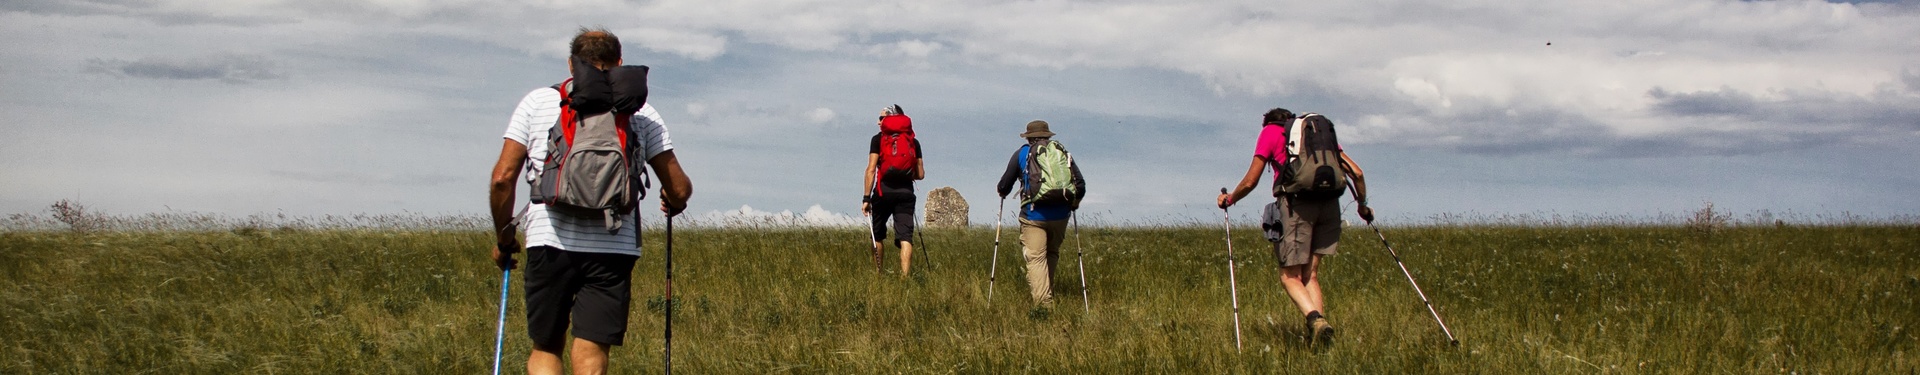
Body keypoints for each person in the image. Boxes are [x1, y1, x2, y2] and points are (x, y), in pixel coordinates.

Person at [488, 27, 692, 375]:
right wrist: (673, 199)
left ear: (572, 65)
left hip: (548, 240)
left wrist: (505, 238)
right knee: (591, 352)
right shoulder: (642, 112)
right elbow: (679, 189)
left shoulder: (538, 102)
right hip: (613, 248)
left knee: (546, 347)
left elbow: (502, 179)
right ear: (619, 63)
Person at [1215, 108, 1370, 342]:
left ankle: (1316, 320)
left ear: (1268, 122)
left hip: (1298, 205)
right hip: (1330, 205)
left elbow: (1250, 181)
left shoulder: (1270, 132)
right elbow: (1357, 173)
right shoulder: (1316, 136)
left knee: (1290, 276)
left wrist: (1231, 199)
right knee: (1311, 275)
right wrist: (1362, 206)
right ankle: (1318, 336)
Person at [994, 120, 1086, 306]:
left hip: (1033, 216)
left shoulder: (1022, 153)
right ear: (1047, 136)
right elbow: (1080, 185)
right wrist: (1073, 204)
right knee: (1051, 253)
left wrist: (1002, 191)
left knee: (1036, 258)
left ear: (1029, 138)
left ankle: (1044, 304)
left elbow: (1005, 184)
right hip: (1061, 214)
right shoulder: (1062, 153)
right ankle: (1046, 291)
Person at [862, 104, 924, 278]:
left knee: (877, 235)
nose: (878, 122)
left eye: (881, 118)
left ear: (890, 119)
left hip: (883, 192)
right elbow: (920, 174)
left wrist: (866, 197)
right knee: (906, 237)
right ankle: (905, 278)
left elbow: (871, 169)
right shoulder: (913, 141)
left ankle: (878, 274)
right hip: (906, 193)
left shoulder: (878, 139)